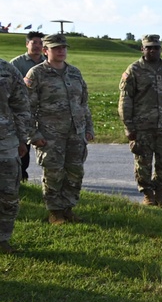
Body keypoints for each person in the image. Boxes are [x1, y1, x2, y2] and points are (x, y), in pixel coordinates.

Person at [24, 34, 95, 225]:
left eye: (63, 47)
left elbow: (83, 103)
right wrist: (34, 135)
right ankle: (55, 212)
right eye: (56, 48)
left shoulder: (74, 73)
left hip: (75, 133)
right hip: (50, 135)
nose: (61, 51)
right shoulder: (36, 74)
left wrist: (88, 127)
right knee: (53, 173)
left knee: (75, 172)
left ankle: (68, 208)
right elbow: (26, 108)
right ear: (45, 50)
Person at [119, 33, 162, 209]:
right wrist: (129, 127)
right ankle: (147, 194)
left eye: (156, 47)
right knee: (143, 163)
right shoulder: (133, 70)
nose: (153, 50)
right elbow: (125, 100)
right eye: (149, 47)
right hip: (142, 127)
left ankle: (160, 195)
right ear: (142, 49)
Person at [0, 57, 31, 252]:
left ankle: (2, 240)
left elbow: (21, 106)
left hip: (6, 143)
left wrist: (22, 139)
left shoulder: (7, 70)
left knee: (8, 194)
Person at [9, 31, 46, 181]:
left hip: (43, 110)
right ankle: (21, 176)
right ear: (27, 44)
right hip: (23, 110)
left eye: (40, 43)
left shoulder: (47, 62)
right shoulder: (16, 63)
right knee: (23, 143)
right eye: (34, 43)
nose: (37, 46)